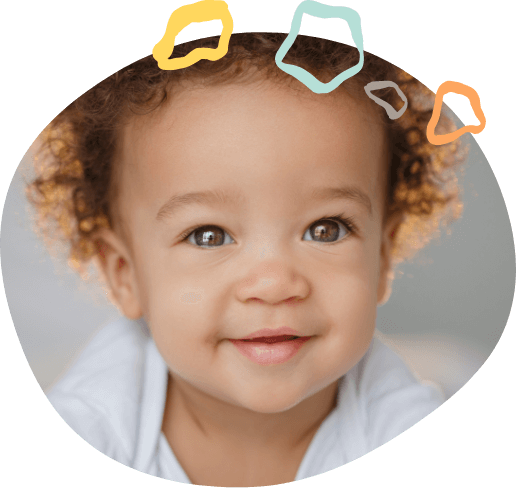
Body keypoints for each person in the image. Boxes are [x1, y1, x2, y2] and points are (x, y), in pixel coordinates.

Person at [27, 33, 465, 486]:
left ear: (382, 255)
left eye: (326, 229)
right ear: (125, 274)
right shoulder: (94, 420)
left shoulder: (398, 418)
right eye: (208, 235)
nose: (274, 283)